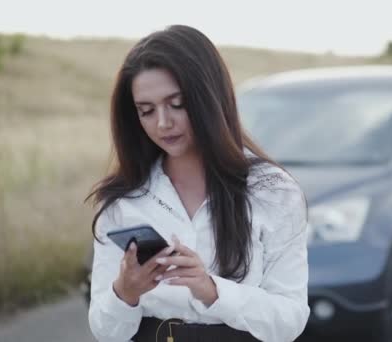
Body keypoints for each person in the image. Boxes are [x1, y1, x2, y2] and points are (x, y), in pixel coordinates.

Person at [85, 25, 310, 342]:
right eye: (146, 111)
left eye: (177, 104)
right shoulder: (124, 200)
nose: (163, 123)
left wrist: (213, 290)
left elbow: (290, 320)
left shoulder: (272, 191)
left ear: (208, 96)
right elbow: (106, 331)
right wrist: (125, 292)